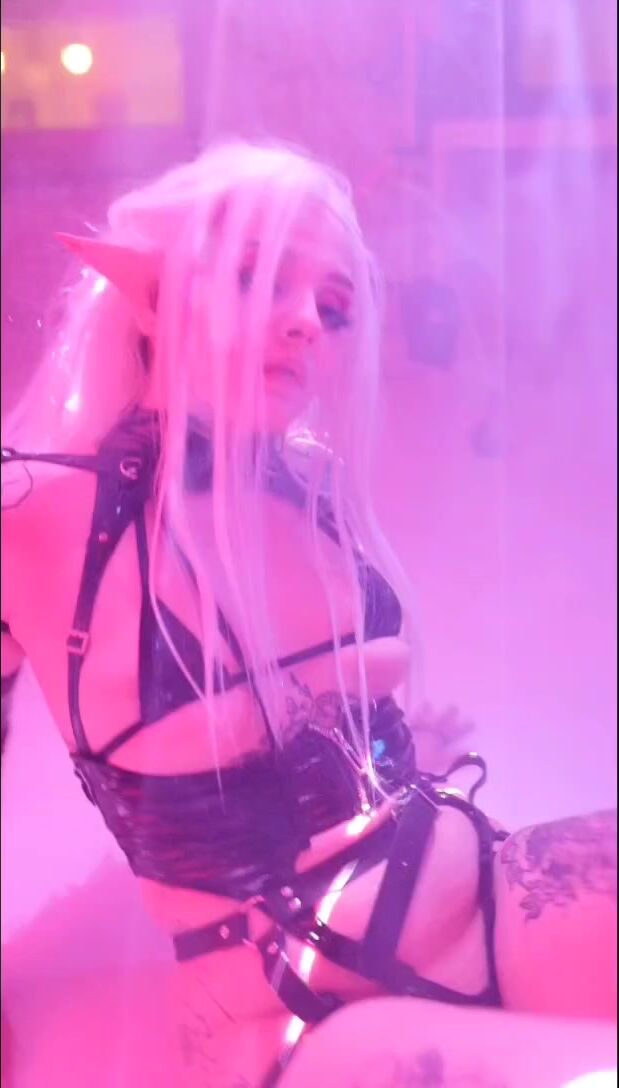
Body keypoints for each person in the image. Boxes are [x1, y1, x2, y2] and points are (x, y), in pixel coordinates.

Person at [1, 140, 616, 1088]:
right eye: (256, 277)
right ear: (151, 295)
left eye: (333, 307)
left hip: (487, 893)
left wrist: (390, 745)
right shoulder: (34, 513)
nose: (303, 324)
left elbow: (317, 724)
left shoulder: (313, 487)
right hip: (299, 1016)